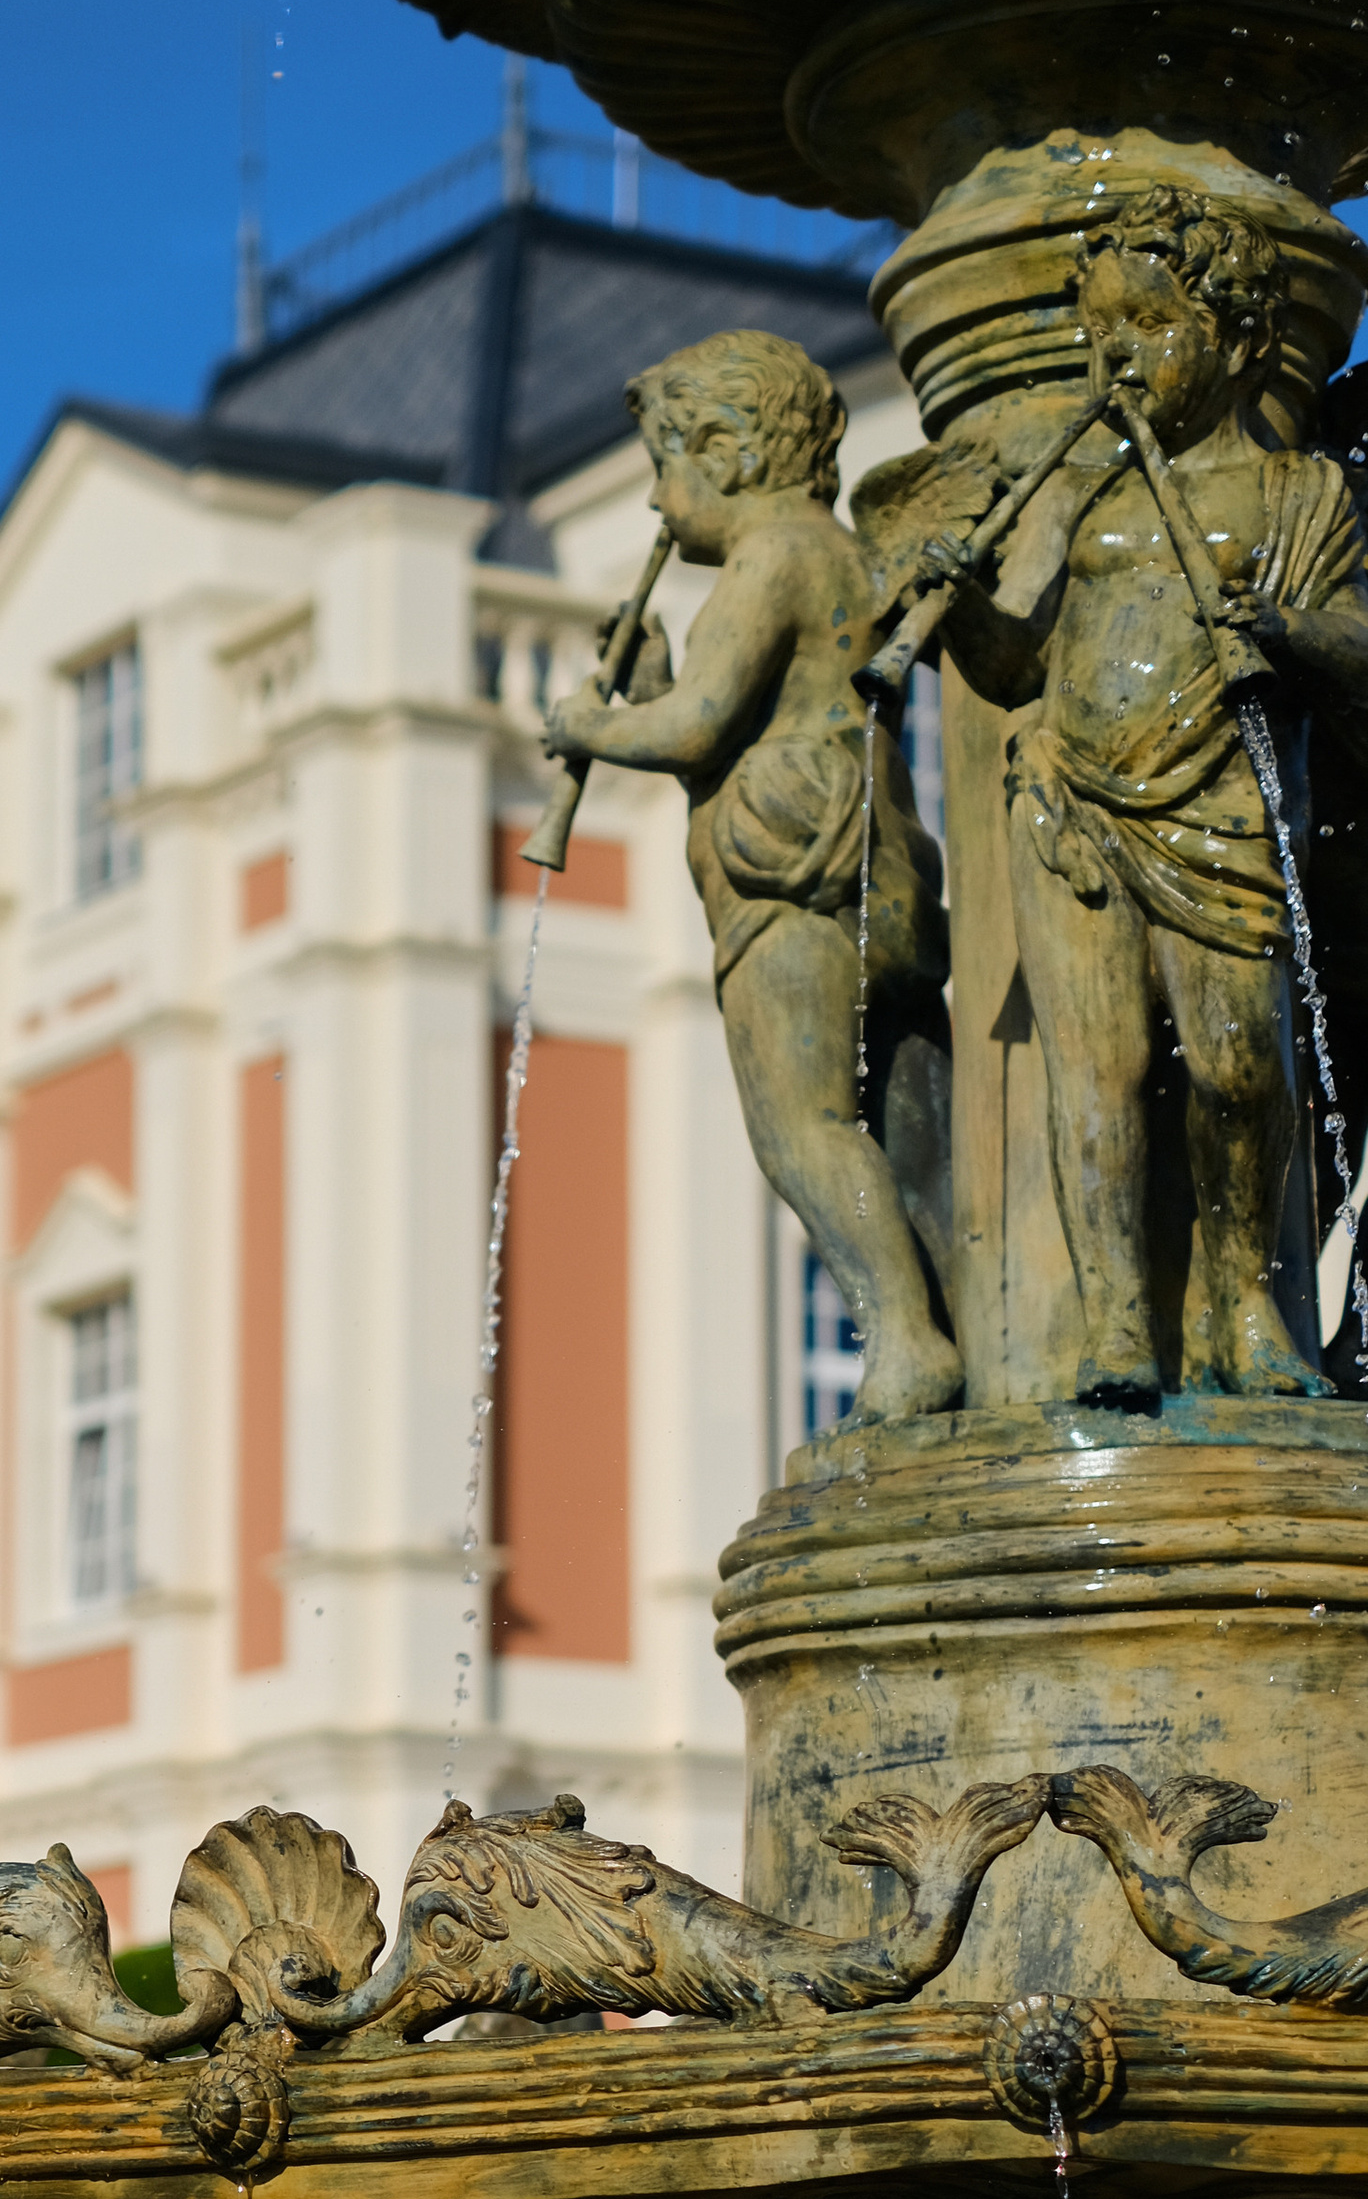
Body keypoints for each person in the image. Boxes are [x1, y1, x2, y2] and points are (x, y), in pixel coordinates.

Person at [938, 185, 1368, 1406]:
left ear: (1234, 339)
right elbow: (1019, 663)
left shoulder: (1301, 499)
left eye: (1145, 320)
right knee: (1100, 1071)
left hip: (1219, 793)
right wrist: (966, 607)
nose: (1111, 351)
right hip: (1072, 798)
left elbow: (1360, 649)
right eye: (1096, 326)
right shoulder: (1090, 496)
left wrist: (1288, 633)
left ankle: (1238, 1301)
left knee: (1243, 1072)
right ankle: (1116, 1323)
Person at [539, 330, 959, 1424]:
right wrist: (660, 678)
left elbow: (696, 732)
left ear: (723, 451)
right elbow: (747, 715)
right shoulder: (844, 555)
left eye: (662, 470)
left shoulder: (772, 555)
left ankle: (908, 1345)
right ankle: (967, 1330)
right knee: (911, 1134)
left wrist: (598, 719)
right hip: (877, 868)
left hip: (787, 878)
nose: (655, 507)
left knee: (801, 1131)